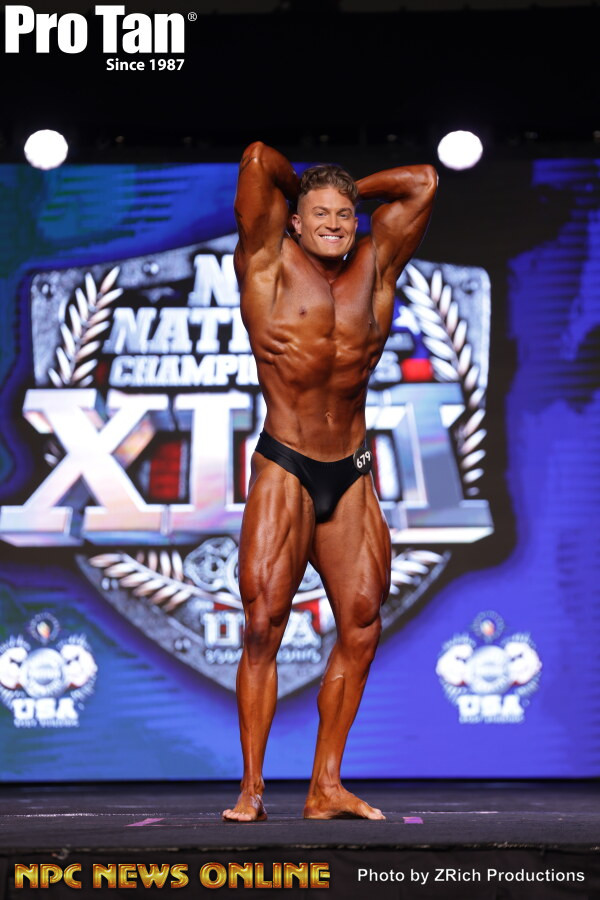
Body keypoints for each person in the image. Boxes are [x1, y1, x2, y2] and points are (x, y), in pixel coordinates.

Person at [223, 142, 437, 821]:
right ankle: (252, 791)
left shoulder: (377, 263)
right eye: (320, 214)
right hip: (286, 462)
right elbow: (257, 159)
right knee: (263, 623)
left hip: (350, 470)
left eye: (345, 215)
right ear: (292, 220)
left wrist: (345, 188)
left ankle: (326, 786)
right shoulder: (265, 259)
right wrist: (308, 186)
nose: (336, 225)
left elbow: (423, 181)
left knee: (363, 623)